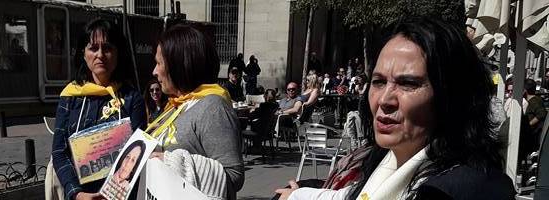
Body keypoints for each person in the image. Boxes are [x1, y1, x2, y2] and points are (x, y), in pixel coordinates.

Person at [275, 18, 515, 200]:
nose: (385, 100)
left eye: (409, 83)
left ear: (453, 95)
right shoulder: (389, 156)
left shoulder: (451, 191)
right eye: (378, 81)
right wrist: (297, 195)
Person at [52, 18, 147, 200]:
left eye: (108, 48)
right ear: (83, 53)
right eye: (93, 48)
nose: (100, 55)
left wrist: (112, 194)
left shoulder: (132, 99)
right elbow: (59, 152)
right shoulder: (70, 97)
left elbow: (136, 154)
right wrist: (77, 193)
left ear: (118, 53)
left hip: (117, 195)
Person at [146, 24, 243, 200]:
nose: (154, 71)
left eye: (159, 63)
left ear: (179, 65)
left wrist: (171, 163)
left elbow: (234, 176)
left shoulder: (212, 107)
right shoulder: (175, 106)